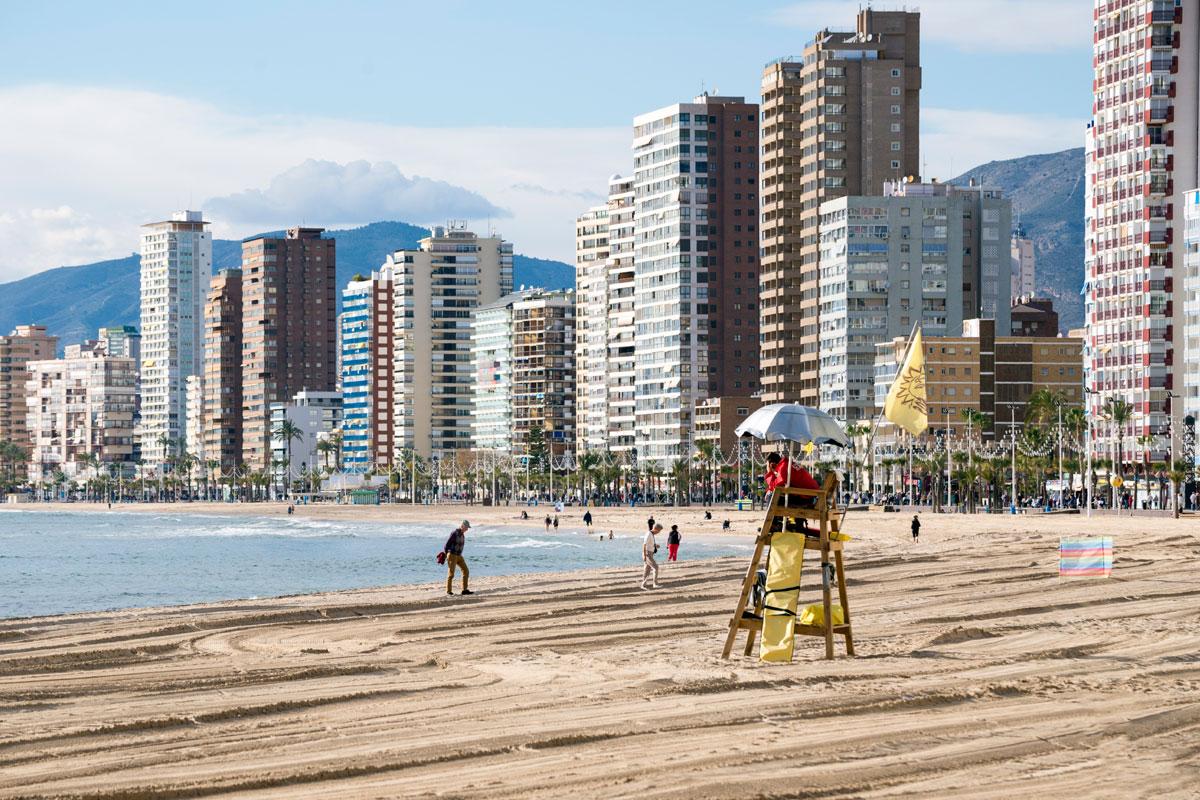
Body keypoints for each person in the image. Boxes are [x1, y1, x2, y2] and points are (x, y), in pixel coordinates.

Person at [444, 520, 474, 596]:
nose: (467, 529)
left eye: (468, 528)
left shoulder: (463, 535)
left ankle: (464, 590)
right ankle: (449, 591)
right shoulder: (454, 533)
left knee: (466, 570)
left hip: (459, 556)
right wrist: (446, 555)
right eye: (466, 527)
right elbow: (446, 545)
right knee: (451, 574)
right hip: (452, 555)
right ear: (462, 526)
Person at [641, 523, 662, 589]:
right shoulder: (649, 534)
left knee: (647, 569)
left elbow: (650, 543)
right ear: (656, 529)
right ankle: (655, 584)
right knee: (656, 567)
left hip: (650, 553)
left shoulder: (651, 534)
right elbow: (644, 545)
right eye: (658, 531)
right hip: (647, 554)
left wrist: (655, 545)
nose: (658, 533)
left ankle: (643, 584)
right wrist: (644, 555)